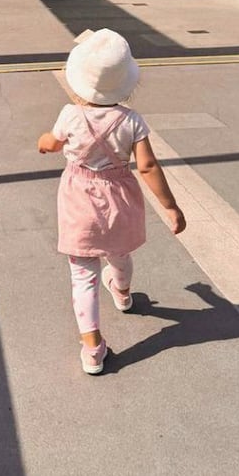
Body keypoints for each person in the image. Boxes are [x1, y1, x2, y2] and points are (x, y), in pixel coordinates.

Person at [37, 28, 186, 375]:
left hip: (79, 199)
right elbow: (147, 166)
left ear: (78, 81)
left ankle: (92, 349)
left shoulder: (70, 115)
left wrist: (43, 143)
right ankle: (122, 292)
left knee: (83, 274)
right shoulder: (132, 121)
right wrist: (171, 206)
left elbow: (52, 143)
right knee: (119, 253)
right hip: (119, 198)